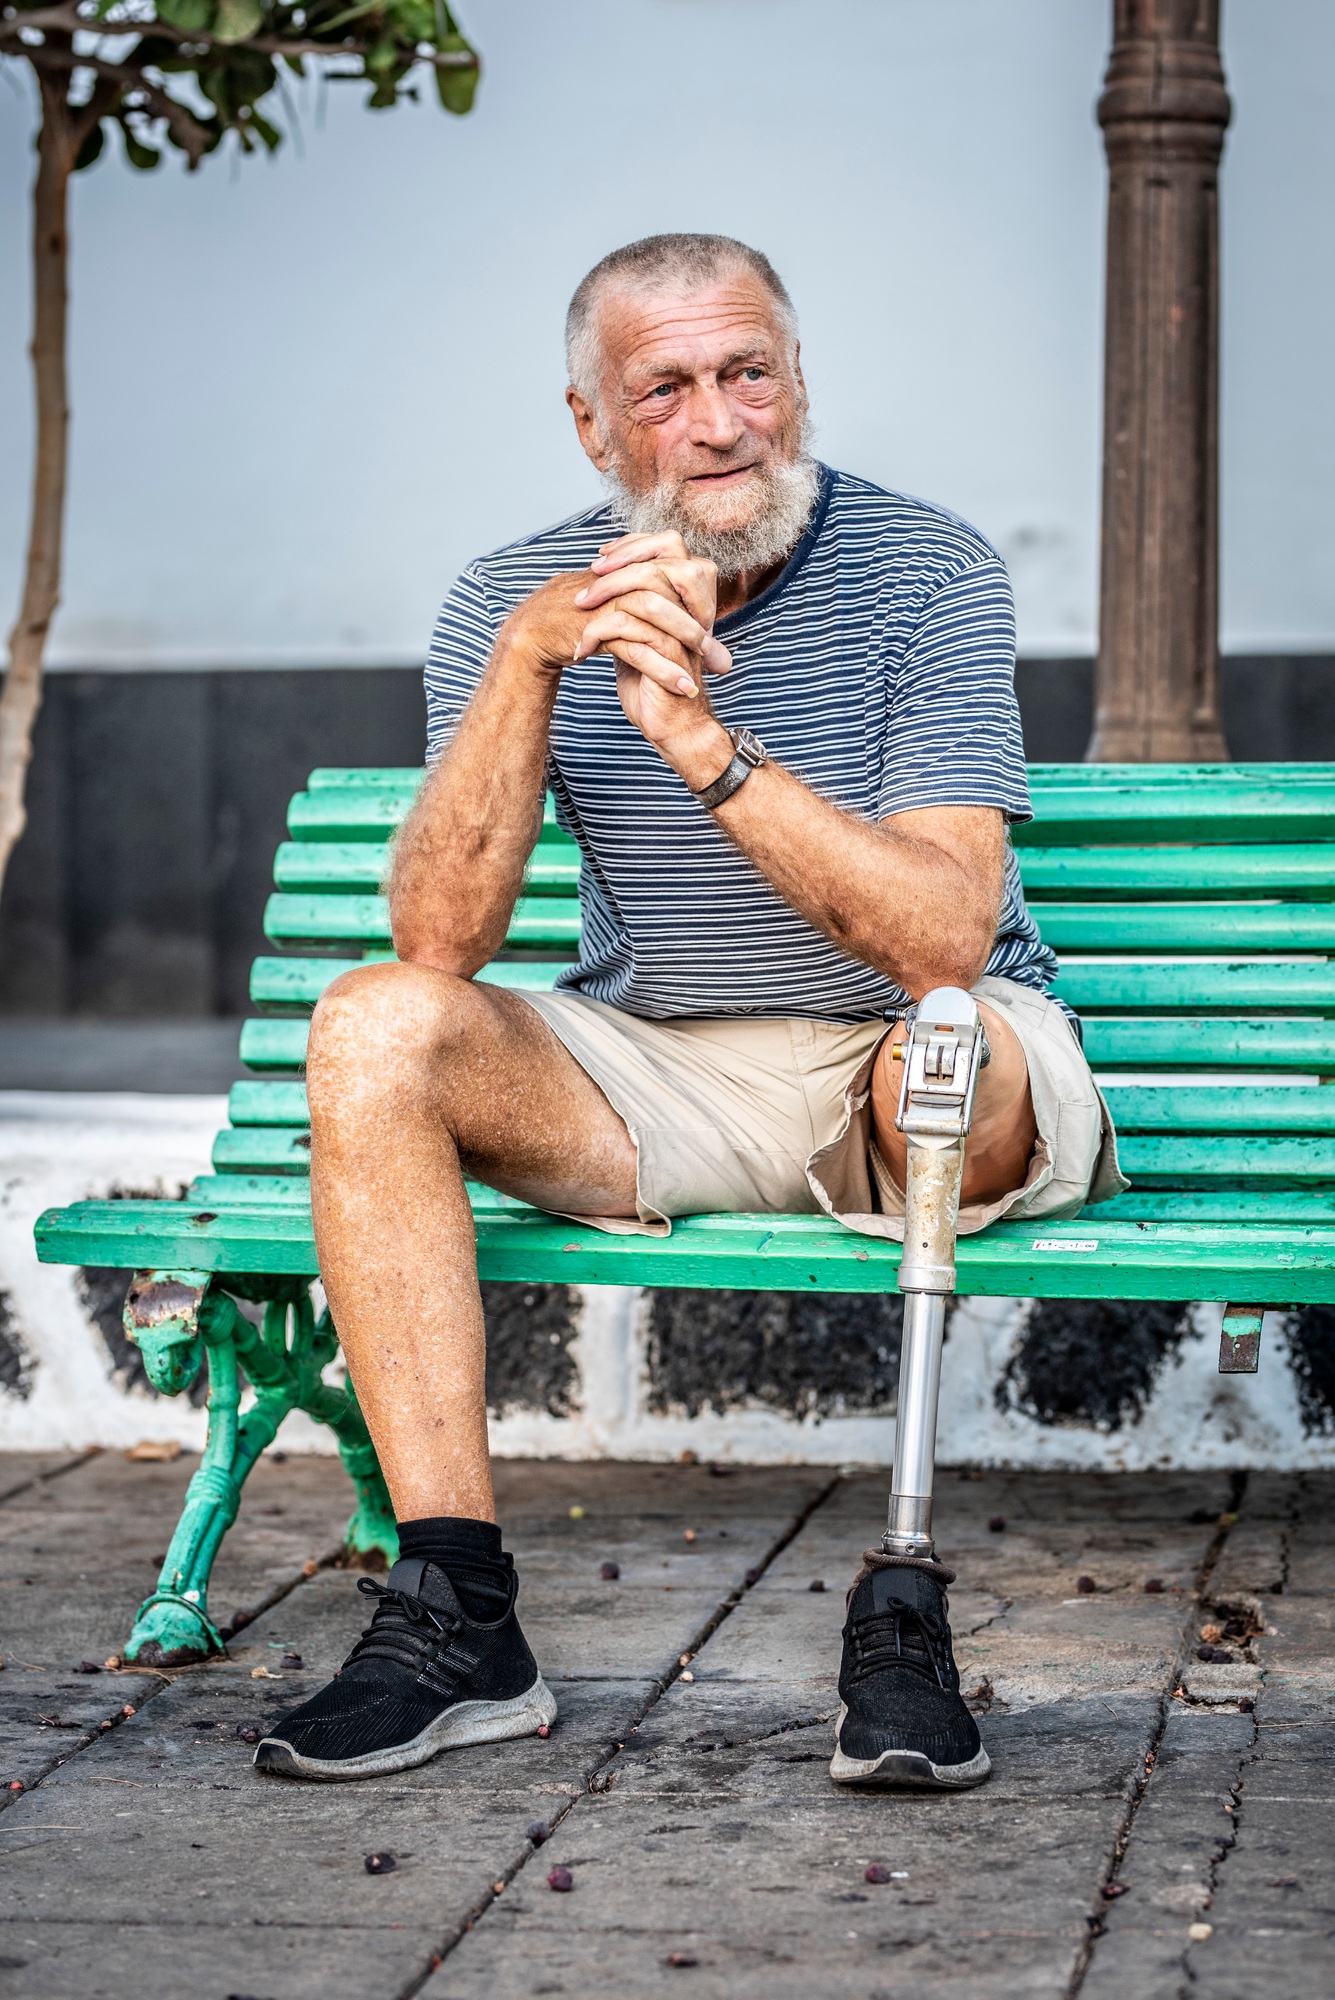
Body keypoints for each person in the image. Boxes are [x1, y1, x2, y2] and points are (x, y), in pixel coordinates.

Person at [255, 233, 1124, 1790]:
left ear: (800, 382)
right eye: (667, 389)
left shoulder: (928, 567)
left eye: (752, 373)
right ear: (594, 428)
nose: (723, 425)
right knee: (375, 1023)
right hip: (660, 1069)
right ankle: (457, 1617)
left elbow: (944, 937)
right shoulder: (507, 603)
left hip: (917, 1058)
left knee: (951, 1052)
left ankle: (902, 1608)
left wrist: (707, 749)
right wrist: (533, 658)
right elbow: (439, 937)